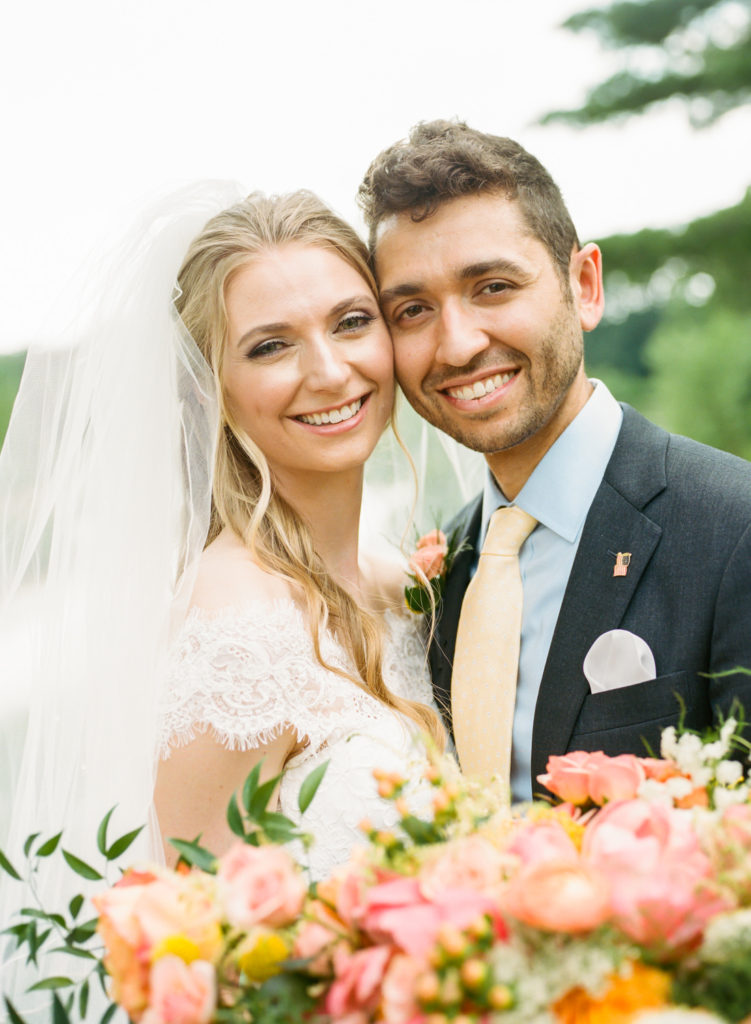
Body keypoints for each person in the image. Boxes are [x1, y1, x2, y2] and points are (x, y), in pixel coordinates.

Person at [0, 186, 444, 1013]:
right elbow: (202, 968)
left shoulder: (403, 582)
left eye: (351, 321)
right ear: (212, 387)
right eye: (271, 345)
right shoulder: (235, 621)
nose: (329, 370)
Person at [357, 119, 751, 803]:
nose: (455, 345)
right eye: (413, 309)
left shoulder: (731, 528)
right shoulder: (438, 571)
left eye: (492, 287)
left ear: (585, 285)